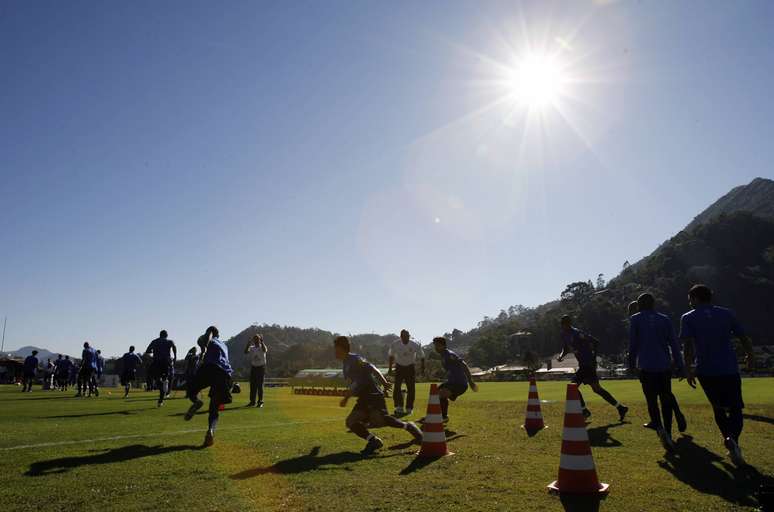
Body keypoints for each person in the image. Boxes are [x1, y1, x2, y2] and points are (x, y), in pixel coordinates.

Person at [679, 284, 754, 467]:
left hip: (706, 371)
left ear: (696, 298)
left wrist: (688, 369)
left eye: (690, 299)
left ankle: (729, 440)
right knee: (736, 408)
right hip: (729, 368)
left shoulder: (688, 317)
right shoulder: (727, 313)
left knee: (718, 408)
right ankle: (732, 439)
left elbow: (687, 346)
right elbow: (743, 336)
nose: (689, 303)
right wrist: (750, 355)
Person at [334, 336, 422, 456]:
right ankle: (373, 441)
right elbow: (355, 383)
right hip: (363, 398)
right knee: (351, 421)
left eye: (336, 348)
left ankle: (409, 426)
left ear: (341, 348)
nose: (334, 351)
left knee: (381, 420)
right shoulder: (345, 363)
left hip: (373, 394)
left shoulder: (354, 359)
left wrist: (384, 382)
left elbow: (372, 368)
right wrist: (348, 394)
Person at [628, 293, 686, 451]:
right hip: (664, 366)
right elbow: (674, 344)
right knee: (666, 399)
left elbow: (633, 344)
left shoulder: (635, 319)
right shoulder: (665, 319)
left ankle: (659, 429)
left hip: (646, 367)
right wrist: (680, 365)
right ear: (654, 304)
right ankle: (668, 431)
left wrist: (631, 364)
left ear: (639, 305)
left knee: (651, 400)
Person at [558, 315, 628, 421]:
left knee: (572, 387)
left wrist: (594, 359)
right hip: (583, 365)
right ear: (562, 324)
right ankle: (620, 407)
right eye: (563, 323)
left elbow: (595, 342)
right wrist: (561, 356)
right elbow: (566, 348)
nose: (565, 325)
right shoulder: (564, 334)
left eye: (567, 323)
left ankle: (584, 411)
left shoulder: (577, 333)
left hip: (588, 364)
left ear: (569, 323)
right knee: (597, 389)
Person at [184, 326, 233, 447]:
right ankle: (210, 431)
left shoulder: (209, 338)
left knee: (190, 390)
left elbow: (204, 340)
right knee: (214, 408)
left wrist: (205, 342)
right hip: (224, 374)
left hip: (210, 368)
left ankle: (197, 402)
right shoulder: (224, 345)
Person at [421, 337, 478, 424]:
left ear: (443, 345)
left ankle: (444, 417)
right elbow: (451, 370)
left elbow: (464, 365)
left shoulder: (449, 354)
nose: (436, 348)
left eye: (438, 345)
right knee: (435, 394)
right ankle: (433, 415)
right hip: (451, 382)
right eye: (435, 345)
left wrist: (470, 381)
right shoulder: (443, 355)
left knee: (442, 394)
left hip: (459, 384)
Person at [388, 329, 425, 417]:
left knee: (411, 388)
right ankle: (398, 406)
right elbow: (391, 356)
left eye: (407, 336)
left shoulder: (414, 344)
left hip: (410, 367)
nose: (406, 338)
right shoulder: (395, 344)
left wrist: (422, 368)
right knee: (397, 387)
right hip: (399, 367)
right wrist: (390, 369)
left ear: (409, 336)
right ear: (401, 337)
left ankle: (409, 408)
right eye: (404, 337)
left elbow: (422, 356)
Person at [144, 330, 177, 407]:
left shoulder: (154, 341)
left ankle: (152, 386)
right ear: (166, 335)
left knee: (151, 375)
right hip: (166, 362)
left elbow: (147, 351)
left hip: (157, 362)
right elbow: (174, 347)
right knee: (167, 377)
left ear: (160, 335)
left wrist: (153, 351)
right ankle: (165, 383)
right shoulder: (169, 341)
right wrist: (175, 356)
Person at [244, 334, 267, 407]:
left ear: (260, 340)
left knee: (260, 385)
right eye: (255, 339)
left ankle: (260, 402)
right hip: (253, 368)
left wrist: (262, 342)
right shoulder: (252, 347)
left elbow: (265, 350)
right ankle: (252, 402)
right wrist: (248, 343)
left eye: (257, 339)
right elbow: (245, 352)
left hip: (261, 368)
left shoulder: (262, 346)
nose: (256, 340)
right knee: (253, 385)